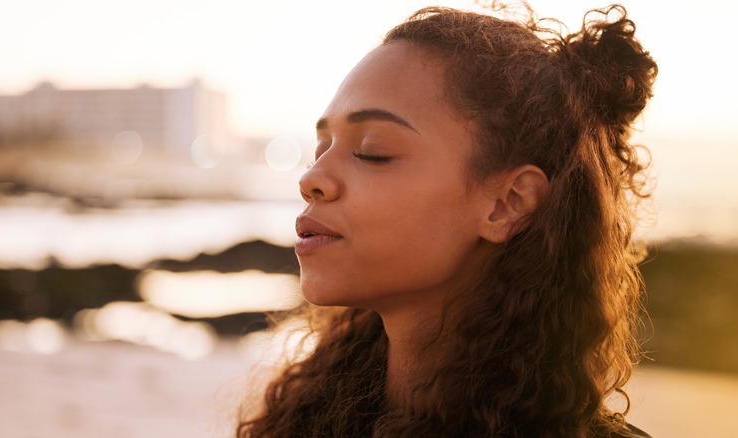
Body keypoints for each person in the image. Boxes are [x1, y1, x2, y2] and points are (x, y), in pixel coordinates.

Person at [238, 3, 657, 437]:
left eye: (371, 151)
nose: (311, 179)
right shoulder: (308, 420)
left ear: (508, 203)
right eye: (321, 148)